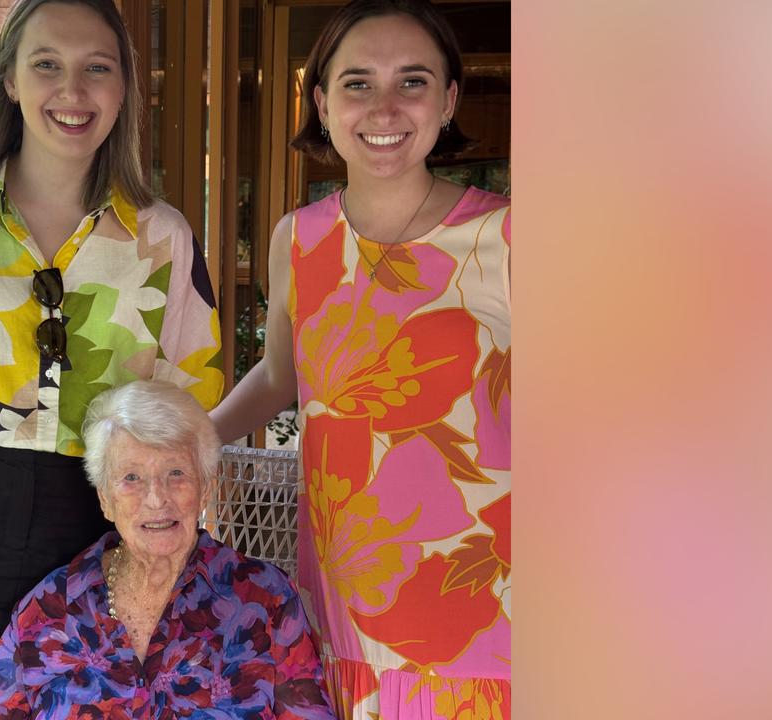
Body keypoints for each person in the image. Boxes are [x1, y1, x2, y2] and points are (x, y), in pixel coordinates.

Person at [0, 1, 224, 716]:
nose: (74, 91)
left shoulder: (163, 238)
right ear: (10, 81)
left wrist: (187, 541)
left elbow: (188, 411)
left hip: (97, 520)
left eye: (98, 67)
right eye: (47, 65)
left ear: (125, 88)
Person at [210, 1, 511, 718]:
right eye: (356, 83)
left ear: (448, 101)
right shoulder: (298, 238)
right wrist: (192, 438)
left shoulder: (511, 235)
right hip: (344, 608)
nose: (384, 107)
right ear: (320, 103)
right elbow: (283, 376)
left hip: (487, 611)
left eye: (412, 81)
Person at [0, 380, 335, 719]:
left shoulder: (264, 597)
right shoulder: (51, 608)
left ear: (206, 488)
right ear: (105, 500)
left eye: (176, 473)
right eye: (131, 478)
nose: (155, 499)